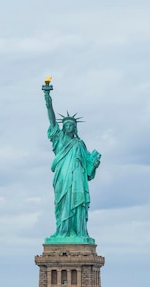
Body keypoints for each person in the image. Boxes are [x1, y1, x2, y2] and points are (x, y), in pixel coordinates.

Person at [43, 81, 101, 242]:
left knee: (78, 203)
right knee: (63, 203)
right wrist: (48, 99)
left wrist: (94, 165)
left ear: (75, 128)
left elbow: (89, 170)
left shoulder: (80, 144)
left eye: (71, 125)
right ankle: (62, 231)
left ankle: (78, 231)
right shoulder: (59, 139)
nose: (68, 127)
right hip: (63, 176)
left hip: (78, 179)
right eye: (66, 125)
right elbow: (52, 121)